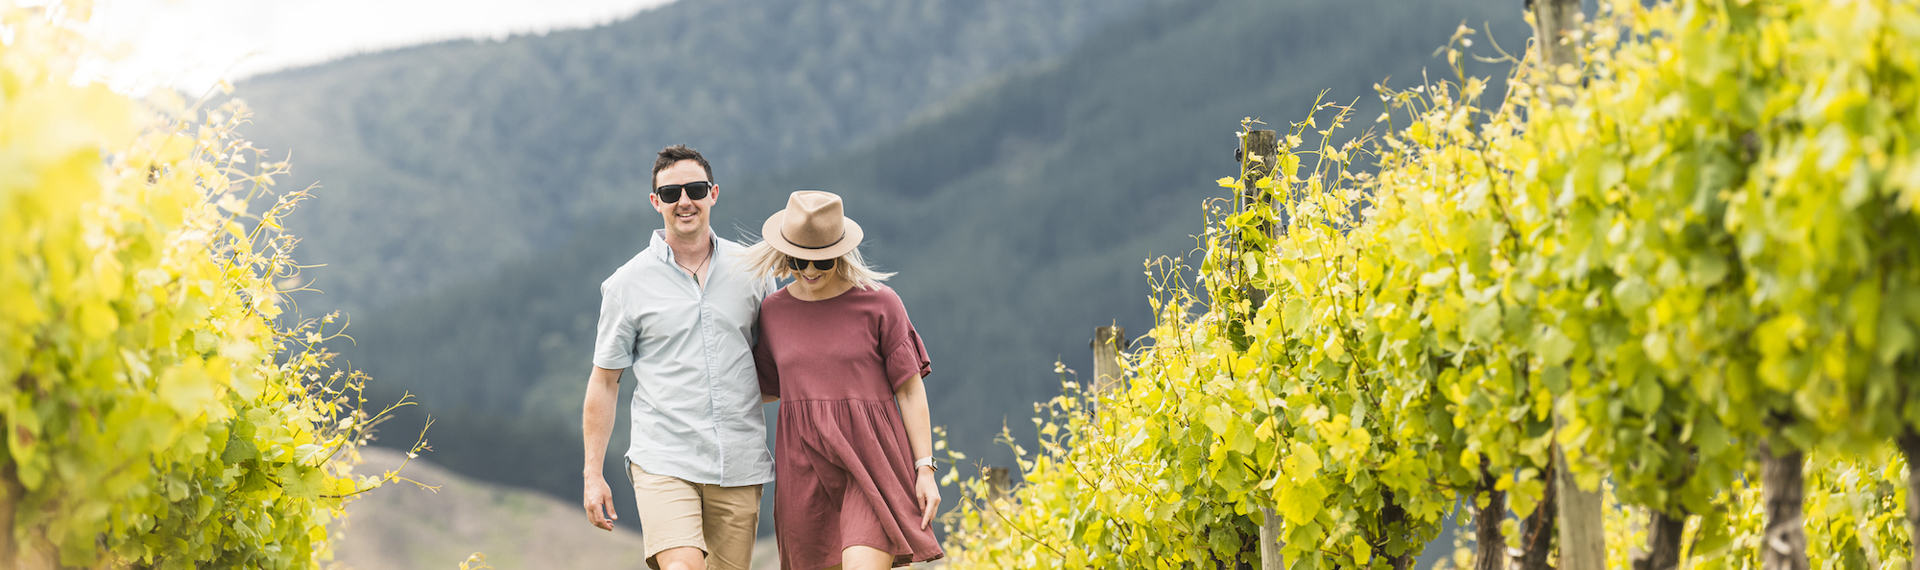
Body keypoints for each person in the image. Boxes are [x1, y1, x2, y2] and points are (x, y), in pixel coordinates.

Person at [582, 145, 774, 570]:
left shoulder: (754, 272)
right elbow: (604, 381)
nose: (684, 200)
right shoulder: (626, 285)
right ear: (656, 203)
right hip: (664, 459)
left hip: (739, 463)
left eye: (695, 189)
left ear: (714, 193)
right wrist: (592, 474)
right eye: (671, 193)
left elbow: (781, 361)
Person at [744, 190, 945, 570]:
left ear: (840, 251)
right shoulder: (773, 312)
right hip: (803, 473)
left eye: (821, 260)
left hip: (871, 463)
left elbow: (910, 389)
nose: (809, 271)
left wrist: (925, 469)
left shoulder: (881, 304)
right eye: (798, 260)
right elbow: (766, 388)